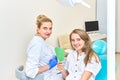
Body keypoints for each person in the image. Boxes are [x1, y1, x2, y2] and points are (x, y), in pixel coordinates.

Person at [25, 14, 63, 80]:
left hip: (50, 74)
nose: (48, 31)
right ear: (38, 29)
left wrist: (70, 52)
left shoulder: (41, 41)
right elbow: (30, 72)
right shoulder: (37, 44)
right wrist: (50, 65)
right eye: (45, 28)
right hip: (45, 77)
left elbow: (53, 50)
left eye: (50, 28)